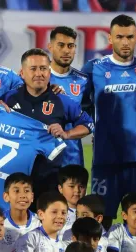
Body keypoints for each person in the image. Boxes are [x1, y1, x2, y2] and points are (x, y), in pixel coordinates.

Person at [82, 14, 136, 230]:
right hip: (105, 158)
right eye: (120, 37)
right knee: (102, 219)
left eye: (129, 37)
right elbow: (80, 104)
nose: (125, 42)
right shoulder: (93, 68)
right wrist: (100, 125)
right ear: (110, 38)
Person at [2, 48, 93, 208]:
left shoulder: (61, 100)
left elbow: (88, 124)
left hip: (50, 178)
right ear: (22, 73)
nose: (39, 73)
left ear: (49, 72)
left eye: (43, 69)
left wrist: (67, 133)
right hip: (16, 177)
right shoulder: (9, 98)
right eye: (33, 69)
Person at [48, 26, 92, 167]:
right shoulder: (38, 77)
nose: (66, 50)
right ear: (50, 47)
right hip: (43, 157)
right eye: (61, 45)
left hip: (72, 159)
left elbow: (87, 117)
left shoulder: (83, 80)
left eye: (70, 46)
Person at [0, 172, 40, 252]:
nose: (22, 195)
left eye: (26, 191)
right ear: (6, 197)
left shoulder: (40, 222)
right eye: (16, 191)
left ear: (32, 196)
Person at [57, 165, 88, 240]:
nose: (77, 191)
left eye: (81, 186)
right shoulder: (54, 212)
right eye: (71, 186)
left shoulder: (90, 212)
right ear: (60, 188)